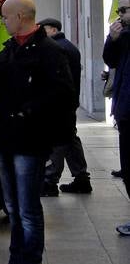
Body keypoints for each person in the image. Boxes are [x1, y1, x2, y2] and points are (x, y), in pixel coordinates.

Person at [0, 0, 76, 264]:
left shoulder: (49, 52)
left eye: (5, 16)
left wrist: (28, 110)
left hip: (30, 139)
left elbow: (63, 94)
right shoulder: (10, 49)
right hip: (5, 137)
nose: (3, 21)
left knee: (27, 210)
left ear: (21, 16)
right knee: (12, 207)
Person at [38, 17, 91, 196]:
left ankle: (49, 181)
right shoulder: (69, 46)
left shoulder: (58, 48)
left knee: (58, 141)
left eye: (43, 30)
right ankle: (81, 177)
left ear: (53, 29)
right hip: (67, 102)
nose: (40, 33)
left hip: (59, 105)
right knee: (70, 138)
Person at [102, 0, 130, 235]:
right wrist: (112, 38)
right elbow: (109, 60)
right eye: (119, 10)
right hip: (125, 111)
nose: (120, 15)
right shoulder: (120, 36)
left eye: (124, 10)